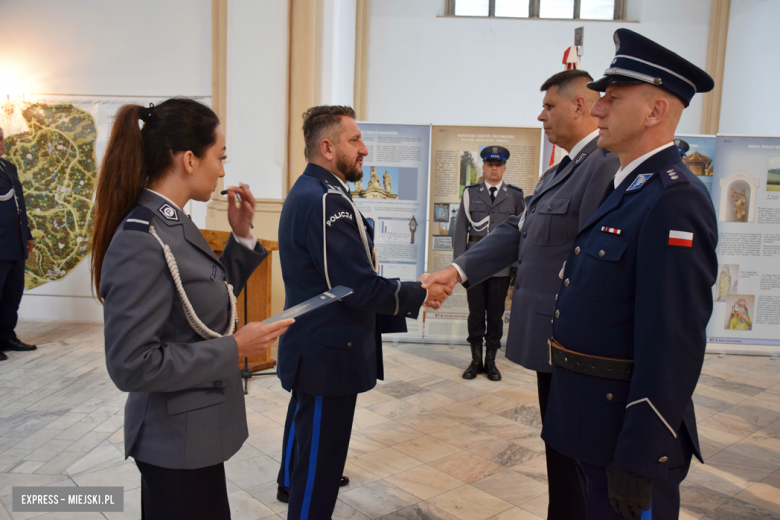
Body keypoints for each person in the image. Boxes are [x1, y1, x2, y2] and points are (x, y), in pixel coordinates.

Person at [425, 69, 619, 519]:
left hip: (572, 342)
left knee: (575, 464)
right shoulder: (562, 169)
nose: (541, 115)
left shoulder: (602, 166)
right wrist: (457, 269)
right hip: (553, 344)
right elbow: (519, 228)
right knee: (559, 452)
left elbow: (592, 262)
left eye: (549, 106)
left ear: (579, 106)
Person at [539, 29, 717, 519]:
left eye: (612, 99)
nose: (596, 110)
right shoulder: (628, 187)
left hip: (625, 435)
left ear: (655, 112)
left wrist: (642, 453)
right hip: (591, 423)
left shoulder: (673, 200)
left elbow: (673, 343)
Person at [92, 99, 293, 520]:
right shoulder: (141, 238)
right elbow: (132, 364)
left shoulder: (174, 221)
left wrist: (240, 239)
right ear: (188, 159)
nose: (222, 170)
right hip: (173, 440)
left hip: (194, 434)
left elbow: (200, 301)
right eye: (218, 157)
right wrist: (234, 348)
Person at [275, 105, 450, 519]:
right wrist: (420, 293)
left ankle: (288, 484)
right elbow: (354, 286)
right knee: (319, 468)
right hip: (327, 355)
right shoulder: (323, 201)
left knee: (308, 444)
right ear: (327, 147)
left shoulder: (321, 192)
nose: (365, 149)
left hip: (319, 347)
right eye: (355, 140)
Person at [453, 146, 524, 381]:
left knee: (496, 314)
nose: (494, 168)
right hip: (474, 265)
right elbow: (460, 230)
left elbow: (520, 234)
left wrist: (516, 267)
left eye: (498, 165)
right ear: (483, 167)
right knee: (475, 314)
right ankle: (475, 360)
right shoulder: (470, 193)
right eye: (490, 164)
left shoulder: (515, 196)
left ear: (504, 168)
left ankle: (490, 362)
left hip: (501, 266)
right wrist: (459, 267)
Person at [0, 126, 37, 360]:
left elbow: (18, 206)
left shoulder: (7, 166)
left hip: (14, 242)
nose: (1, 143)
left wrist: (28, 234)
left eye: (1, 138)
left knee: (12, 293)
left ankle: (5, 335)